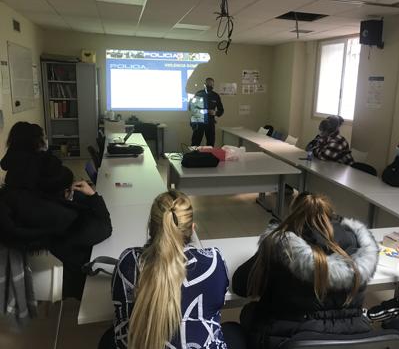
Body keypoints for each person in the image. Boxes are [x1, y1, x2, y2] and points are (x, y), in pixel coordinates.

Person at [232, 193, 379, 349]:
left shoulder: (281, 246)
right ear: (331, 215)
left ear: (294, 214)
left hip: (288, 340)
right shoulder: (358, 248)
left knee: (244, 318)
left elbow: (241, 286)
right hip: (352, 338)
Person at [100, 190, 231, 349]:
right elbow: (218, 302)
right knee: (233, 330)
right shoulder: (214, 262)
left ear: (150, 228)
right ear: (193, 229)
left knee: (107, 339)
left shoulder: (127, 261)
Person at [0, 165, 112, 299]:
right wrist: (93, 196)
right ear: (64, 192)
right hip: (77, 282)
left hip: (31, 284)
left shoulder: (15, 211)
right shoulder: (64, 220)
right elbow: (105, 228)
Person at [0, 121, 61, 190]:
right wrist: (46, 150)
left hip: (11, 191)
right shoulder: (36, 155)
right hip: (29, 194)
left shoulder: (13, 151)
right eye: (45, 137)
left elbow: (4, 165)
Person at [189, 77, 224, 147]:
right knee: (195, 143)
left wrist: (215, 113)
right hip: (199, 122)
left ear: (213, 85)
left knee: (210, 143)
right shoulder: (198, 94)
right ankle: (193, 157)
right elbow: (191, 107)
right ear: (204, 84)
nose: (209, 86)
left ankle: (209, 157)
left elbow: (221, 111)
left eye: (211, 85)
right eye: (208, 84)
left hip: (210, 123)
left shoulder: (215, 96)